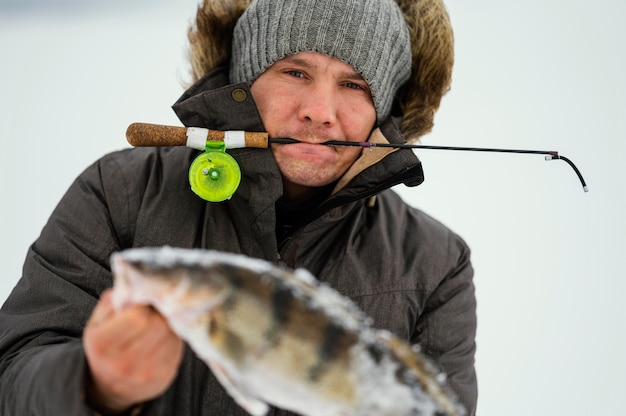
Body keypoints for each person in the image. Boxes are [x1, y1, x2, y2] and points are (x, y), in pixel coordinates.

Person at [0, 0, 477, 414]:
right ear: (246, 78)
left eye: (355, 85)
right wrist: (94, 385)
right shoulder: (119, 191)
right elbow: (13, 376)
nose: (320, 111)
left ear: (383, 109)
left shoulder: (438, 264)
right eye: (295, 71)